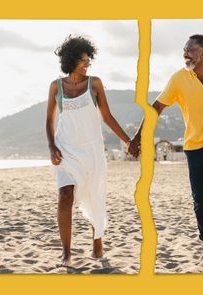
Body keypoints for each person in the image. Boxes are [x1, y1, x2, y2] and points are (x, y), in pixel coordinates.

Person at [130, 34, 203, 260]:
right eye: (184, 50)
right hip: (194, 145)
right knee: (199, 198)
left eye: (190, 50)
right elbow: (157, 107)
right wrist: (138, 136)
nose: (185, 54)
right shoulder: (178, 79)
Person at [46, 35, 137, 266]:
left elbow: (107, 116)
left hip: (93, 150)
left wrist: (128, 141)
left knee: (95, 196)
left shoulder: (94, 84)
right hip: (66, 149)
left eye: (89, 59)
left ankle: (97, 240)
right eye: (82, 60)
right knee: (64, 196)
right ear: (70, 60)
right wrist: (51, 145)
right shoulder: (56, 86)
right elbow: (49, 121)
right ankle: (66, 252)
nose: (87, 63)